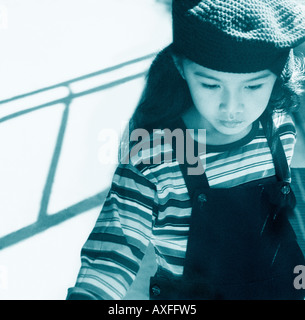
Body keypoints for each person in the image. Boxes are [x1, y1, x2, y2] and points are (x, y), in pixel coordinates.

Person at [67, 0, 305, 300]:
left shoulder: (278, 129)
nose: (232, 107)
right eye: (210, 85)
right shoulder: (153, 160)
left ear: (278, 76)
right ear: (181, 66)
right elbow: (113, 253)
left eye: (253, 87)